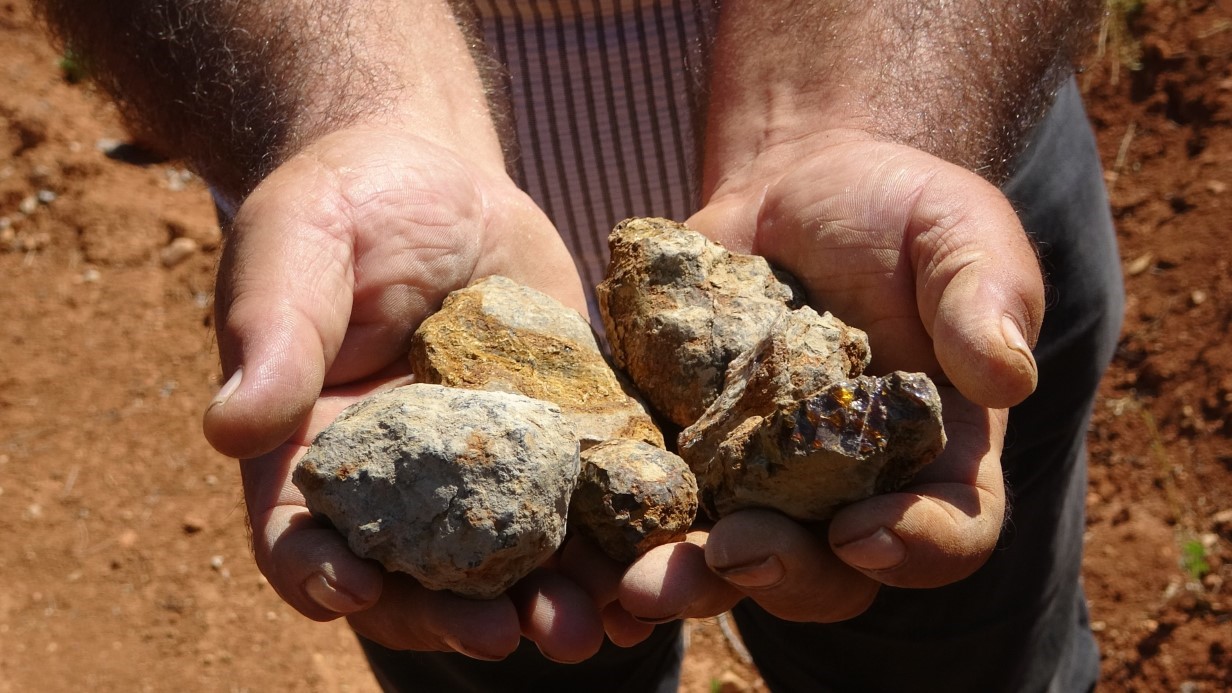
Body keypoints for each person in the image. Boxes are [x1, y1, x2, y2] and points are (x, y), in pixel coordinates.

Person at [37, 1, 1123, 690]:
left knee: (950, 666)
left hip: (909, 192)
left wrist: (858, 122)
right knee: (511, 649)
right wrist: (347, 107)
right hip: (381, 304)